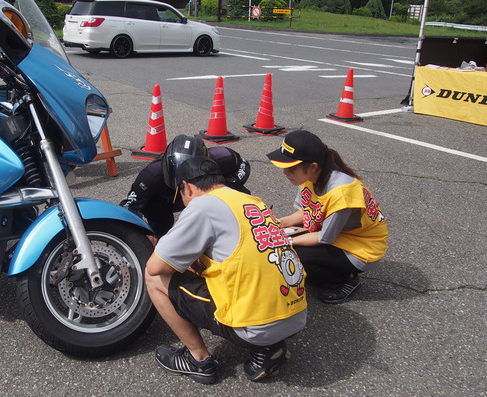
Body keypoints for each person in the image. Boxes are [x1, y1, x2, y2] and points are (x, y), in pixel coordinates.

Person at [145, 155, 307, 384]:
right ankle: (268, 347)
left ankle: (198, 360)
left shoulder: (202, 205)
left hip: (255, 326)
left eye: (179, 195)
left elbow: (155, 266)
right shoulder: (251, 200)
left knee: (153, 278)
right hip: (296, 314)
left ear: (187, 187)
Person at [266, 130, 388, 304]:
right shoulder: (311, 177)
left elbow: (325, 237)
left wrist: (285, 240)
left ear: (313, 166)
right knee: (285, 246)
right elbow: (307, 211)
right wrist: (277, 223)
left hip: (362, 248)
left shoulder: (341, 192)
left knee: (293, 254)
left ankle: (347, 278)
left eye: (291, 168)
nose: (286, 172)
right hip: (339, 235)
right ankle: (327, 269)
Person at [120, 135, 250, 238]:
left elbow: (243, 164)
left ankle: (245, 225)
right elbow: (130, 206)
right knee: (154, 210)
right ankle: (160, 236)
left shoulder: (224, 156)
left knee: (237, 195)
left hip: (205, 189)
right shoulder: (150, 175)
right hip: (168, 199)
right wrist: (139, 236)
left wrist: (226, 186)